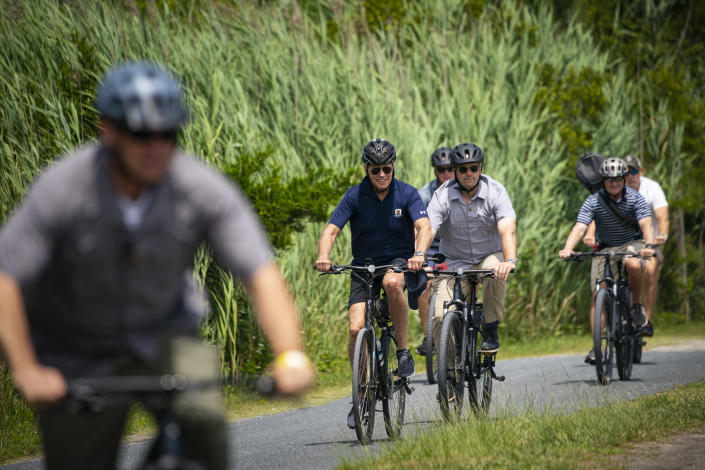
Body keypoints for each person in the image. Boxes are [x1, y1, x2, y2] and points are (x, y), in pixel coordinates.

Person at [0, 62, 315, 470]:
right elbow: (6, 277)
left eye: (168, 134)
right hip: (76, 349)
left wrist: (289, 354)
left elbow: (259, 273)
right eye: (140, 134)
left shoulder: (201, 188)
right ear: (108, 131)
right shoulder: (63, 188)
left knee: (207, 426)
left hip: (167, 334)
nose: (156, 147)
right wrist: (26, 370)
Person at [314, 138, 432, 429]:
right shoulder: (354, 196)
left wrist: (418, 254)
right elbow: (331, 230)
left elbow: (423, 226)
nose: (381, 175)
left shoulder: (407, 193)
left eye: (386, 169)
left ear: (393, 167)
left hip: (397, 263)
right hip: (362, 268)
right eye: (375, 169)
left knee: (393, 284)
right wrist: (323, 257)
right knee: (356, 328)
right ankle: (361, 395)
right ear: (367, 169)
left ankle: (403, 352)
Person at [559, 157, 656, 365]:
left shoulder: (635, 198)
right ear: (603, 181)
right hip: (606, 247)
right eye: (610, 180)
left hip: (633, 243)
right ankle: (597, 347)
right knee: (598, 292)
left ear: (623, 179)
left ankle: (636, 306)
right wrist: (568, 248)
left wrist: (648, 246)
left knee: (633, 264)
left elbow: (646, 223)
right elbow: (580, 226)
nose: (614, 183)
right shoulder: (594, 200)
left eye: (618, 179)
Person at [425, 142, 517, 353]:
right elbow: (428, 229)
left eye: (473, 168)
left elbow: (507, 230)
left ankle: (491, 328)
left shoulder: (495, 191)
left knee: (496, 271)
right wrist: (418, 255)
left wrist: (509, 260)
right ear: (455, 171)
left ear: (480, 169)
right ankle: (448, 373)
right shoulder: (442, 195)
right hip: (454, 261)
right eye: (463, 169)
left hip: (488, 256)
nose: (469, 173)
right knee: (440, 315)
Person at [582, 155, 668, 337]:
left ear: (640, 172)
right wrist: (590, 236)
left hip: (646, 240)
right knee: (600, 288)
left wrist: (662, 235)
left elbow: (662, 218)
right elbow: (597, 216)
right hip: (611, 243)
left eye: (633, 171)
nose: (630, 176)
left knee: (649, 270)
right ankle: (598, 339)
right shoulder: (610, 190)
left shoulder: (651, 189)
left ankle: (644, 318)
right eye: (626, 173)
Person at [415, 147, 454, 356]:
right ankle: (428, 337)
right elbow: (417, 229)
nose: (446, 174)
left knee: (461, 281)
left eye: (450, 169)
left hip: (455, 248)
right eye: (441, 170)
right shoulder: (425, 195)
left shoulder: (463, 190)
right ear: (435, 172)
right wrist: (418, 256)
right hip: (431, 247)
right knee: (424, 282)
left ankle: (460, 325)